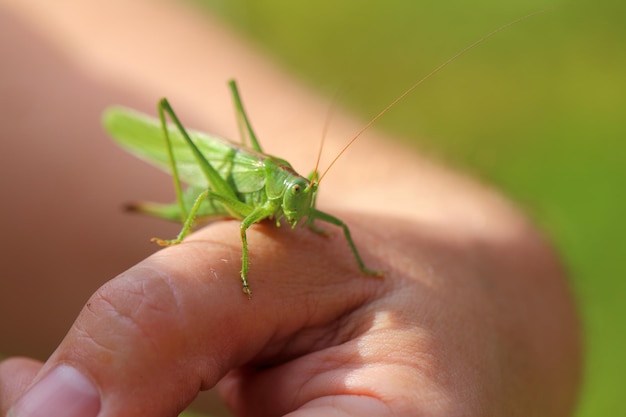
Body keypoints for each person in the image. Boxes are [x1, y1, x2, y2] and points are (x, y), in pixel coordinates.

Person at [0, 1, 581, 416]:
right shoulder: (257, 202)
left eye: (307, 194)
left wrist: (391, 257)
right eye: (301, 196)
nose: (307, 206)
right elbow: (209, 197)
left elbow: (339, 228)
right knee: (209, 185)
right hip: (223, 183)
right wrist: (217, 256)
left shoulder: (305, 199)